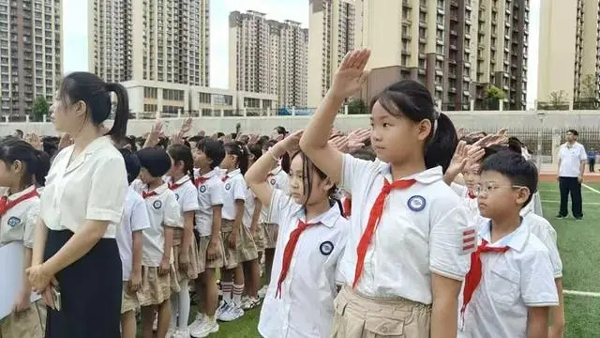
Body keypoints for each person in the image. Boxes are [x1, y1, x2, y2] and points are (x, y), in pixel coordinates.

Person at [300, 49, 470, 337]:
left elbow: (446, 298)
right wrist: (336, 94)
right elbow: (312, 144)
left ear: (422, 129)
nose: (375, 134)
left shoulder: (443, 202)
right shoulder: (366, 176)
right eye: (373, 124)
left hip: (402, 324)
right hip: (350, 311)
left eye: (387, 124)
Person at [28, 72, 129, 338]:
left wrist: (47, 268)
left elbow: (94, 229)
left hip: (90, 265)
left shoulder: (108, 159)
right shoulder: (62, 156)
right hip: (56, 264)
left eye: (59, 99)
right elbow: (44, 215)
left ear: (79, 108)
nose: (52, 107)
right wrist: (40, 267)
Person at [246, 130, 349, 338]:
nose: (293, 183)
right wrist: (281, 147)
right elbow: (253, 178)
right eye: (291, 174)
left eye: (301, 176)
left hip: (313, 330)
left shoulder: (341, 230)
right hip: (274, 325)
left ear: (328, 182)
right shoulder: (288, 210)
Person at [459, 151, 558, 337]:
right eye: (480, 187)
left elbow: (538, 319)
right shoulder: (471, 234)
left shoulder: (533, 253)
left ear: (520, 195)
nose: (481, 195)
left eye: (490, 187)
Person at [132, 147, 182, 338]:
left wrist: (166, 259)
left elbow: (169, 228)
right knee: (147, 301)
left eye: (143, 170)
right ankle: (146, 334)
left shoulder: (167, 197)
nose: (140, 174)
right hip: (140, 257)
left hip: (156, 256)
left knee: (162, 299)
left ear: (154, 170)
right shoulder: (138, 188)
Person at [0, 139, 47, 338]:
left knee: (23, 332)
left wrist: (25, 293)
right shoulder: (5, 197)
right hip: (4, 286)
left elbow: (31, 251)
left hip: (21, 292)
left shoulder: (34, 206)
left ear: (17, 167)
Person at [189, 138, 226, 338]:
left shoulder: (214, 183)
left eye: (199, 153)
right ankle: (202, 313)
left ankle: (211, 319)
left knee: (209, 277)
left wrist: (213, 243)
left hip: (206, 235)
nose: (195, 155)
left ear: (210, 160)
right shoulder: (194, 175)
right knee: (198, 278)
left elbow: (217, 215)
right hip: (195, 234)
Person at [166, 145, 200, 338]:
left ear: (179, 165)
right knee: (171, 287)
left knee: (183, 286)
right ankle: (170, 326)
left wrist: (185, 252)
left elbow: (188, 223)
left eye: (168, 161)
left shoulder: (188, 188)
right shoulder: (166, 182)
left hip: (182, 242)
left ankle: (183, 328)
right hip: (168, 242)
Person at [115, 149, 150, 338]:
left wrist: (136, 272)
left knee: (126, 311)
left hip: (124, 267)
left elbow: (138, 238)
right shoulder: (100, 195)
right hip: (101, 266)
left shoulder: (134, 200)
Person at [216, 142, 249, 322]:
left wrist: (235, 232)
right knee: (225, 266)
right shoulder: (224, 177)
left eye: (224, 156)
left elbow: (240, 207)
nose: (220, 160)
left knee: (236, 264)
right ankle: (227, 301)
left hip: (231, 225)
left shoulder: (237, 180)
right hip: (221, 225)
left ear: (233, 158)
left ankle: (236, 303)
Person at [556, 129, 587, 220]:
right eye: (567, 134)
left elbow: (583, 162)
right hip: (563, 175)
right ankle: (562, 213)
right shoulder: (562, 147)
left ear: (575, 137)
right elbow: (559, 161)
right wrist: (558, 173)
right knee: (563, 196)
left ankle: (577, 214)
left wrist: (580, 175)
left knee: (576, 196)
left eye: (570, 134)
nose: (568, 136)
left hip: (574, 176)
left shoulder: (580, 147)